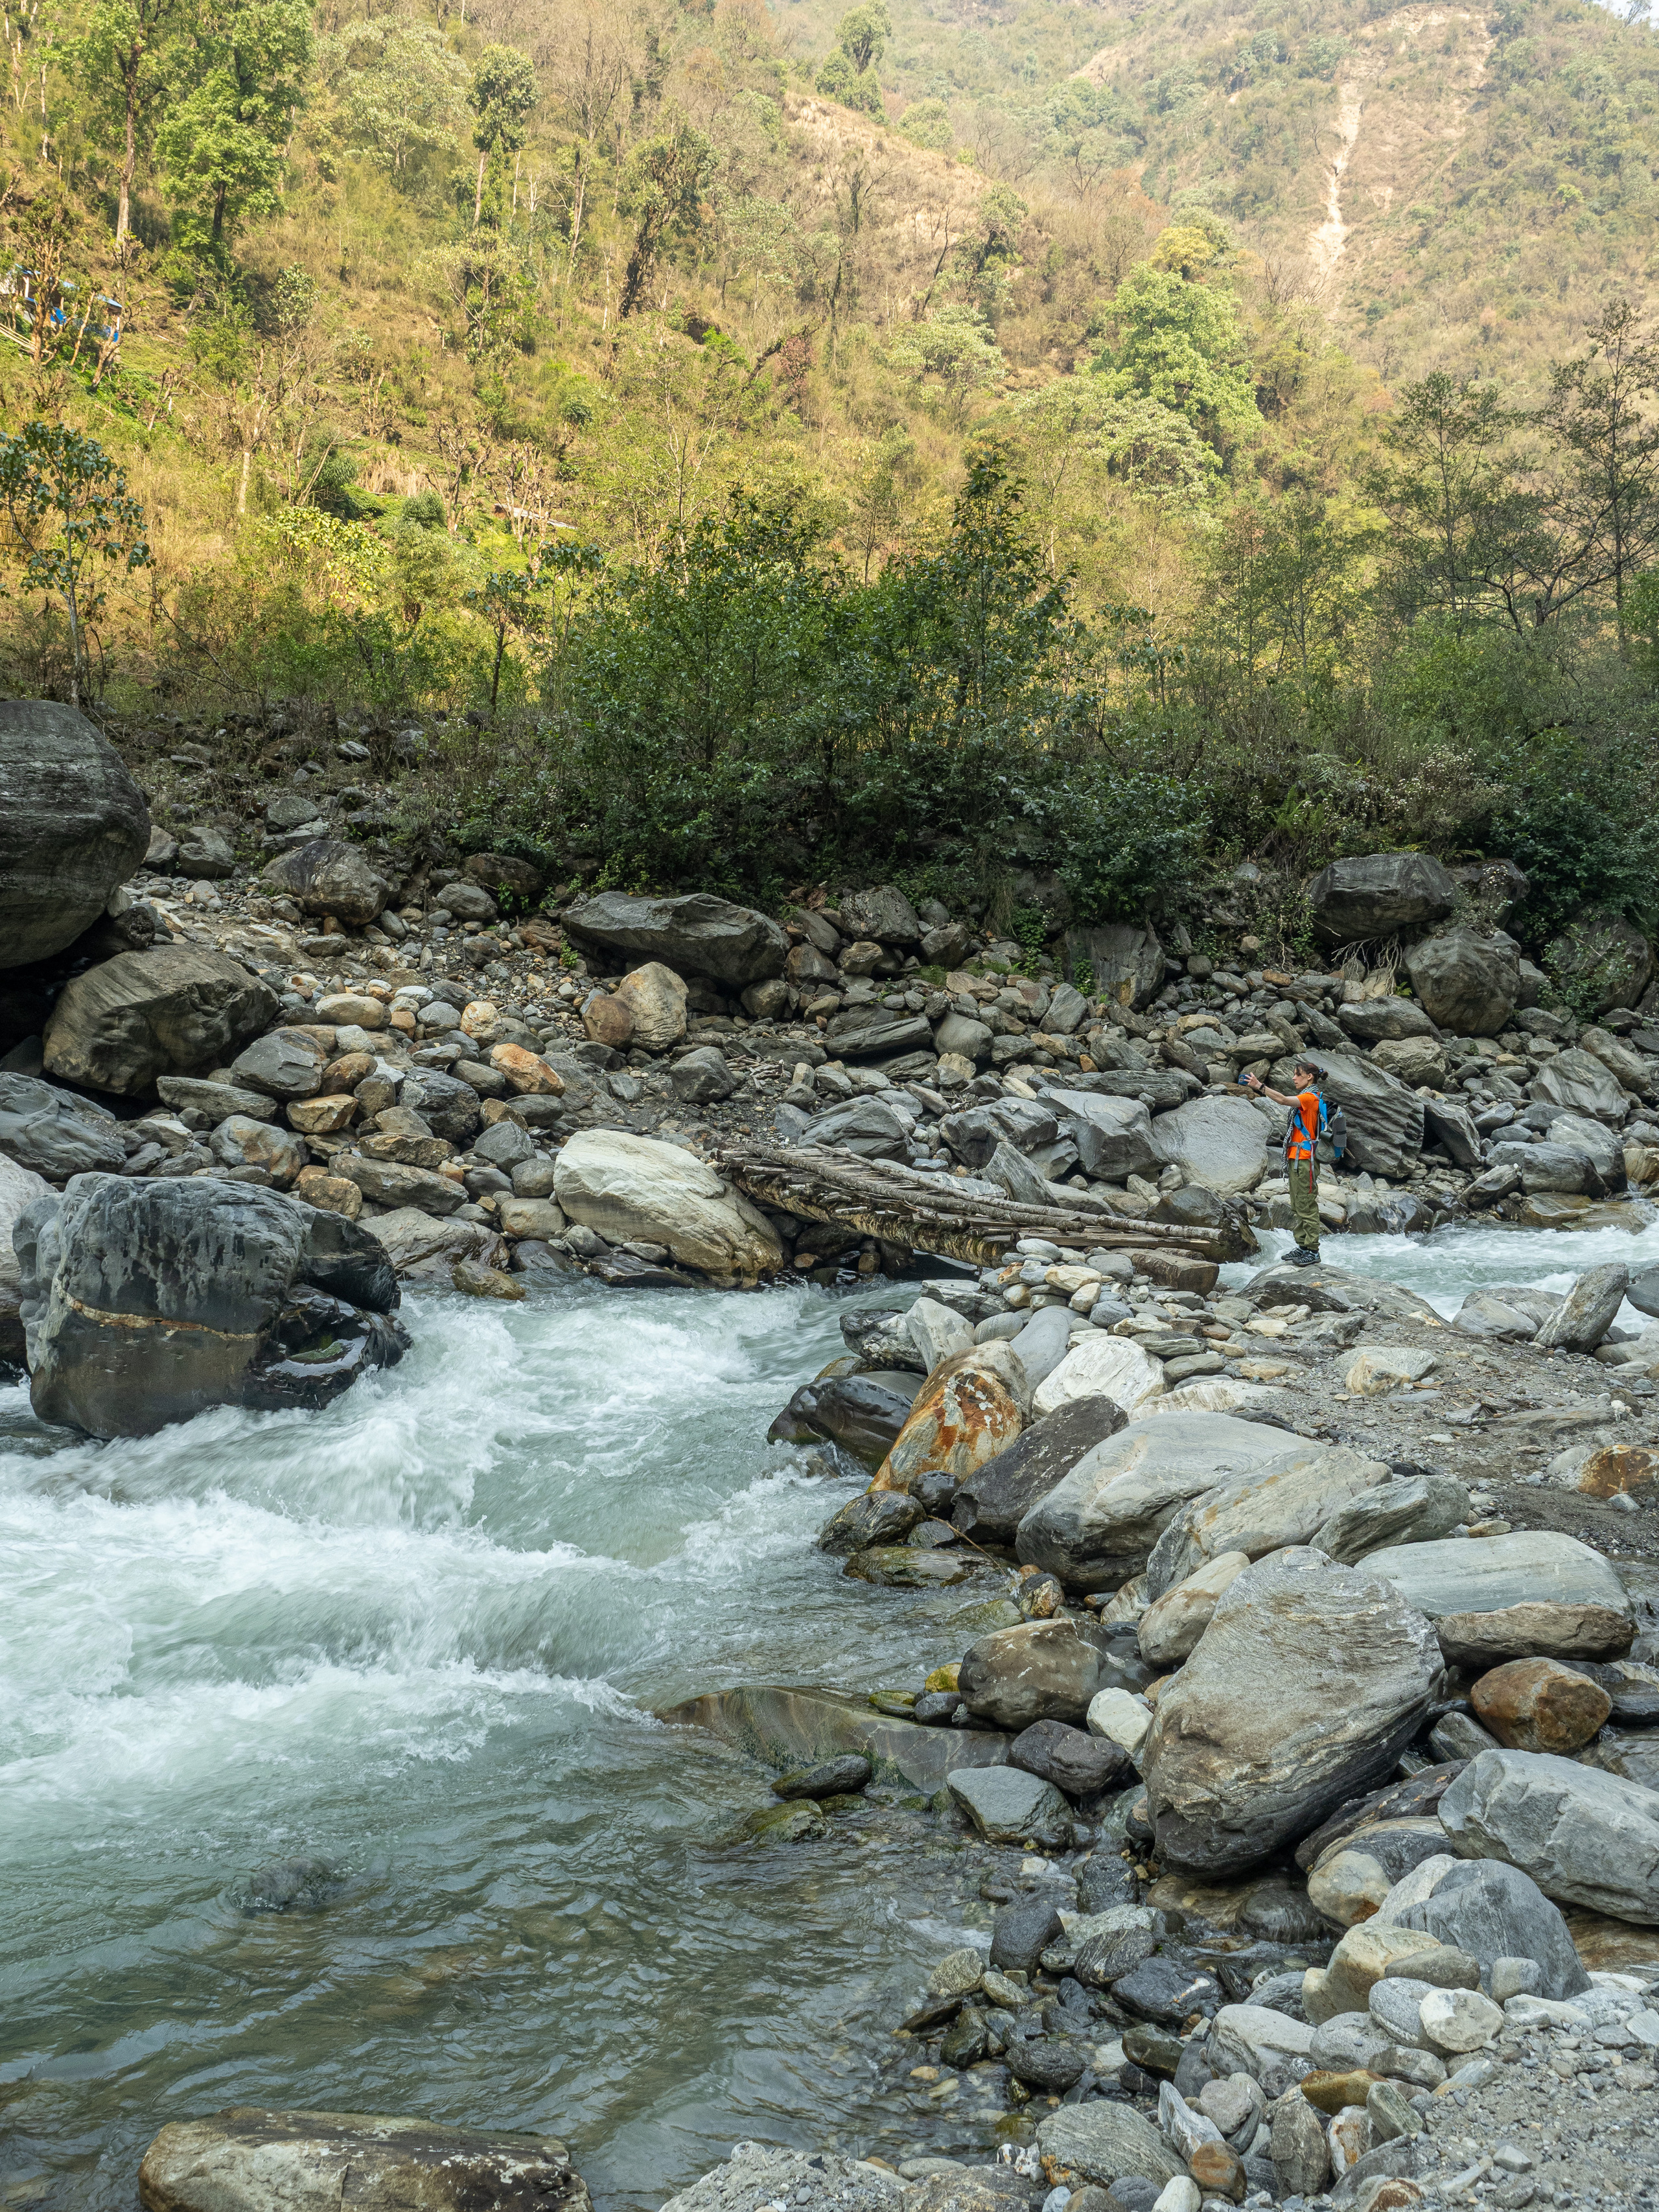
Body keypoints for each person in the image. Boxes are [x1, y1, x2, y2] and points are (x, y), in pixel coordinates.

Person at [1244, 1058, 1328, 1266]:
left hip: (1306, 1160)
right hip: (1296, 1158)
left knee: (1306, 1205)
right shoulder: (1306, 1096)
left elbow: (1281, 1100)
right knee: (1297, 1205)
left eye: (1297, 1074)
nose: (1293, 1078)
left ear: (1310, 1077)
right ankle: (1303, 1246)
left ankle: (1313, 1251)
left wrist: (1259, 1086)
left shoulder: (1311, 1098)